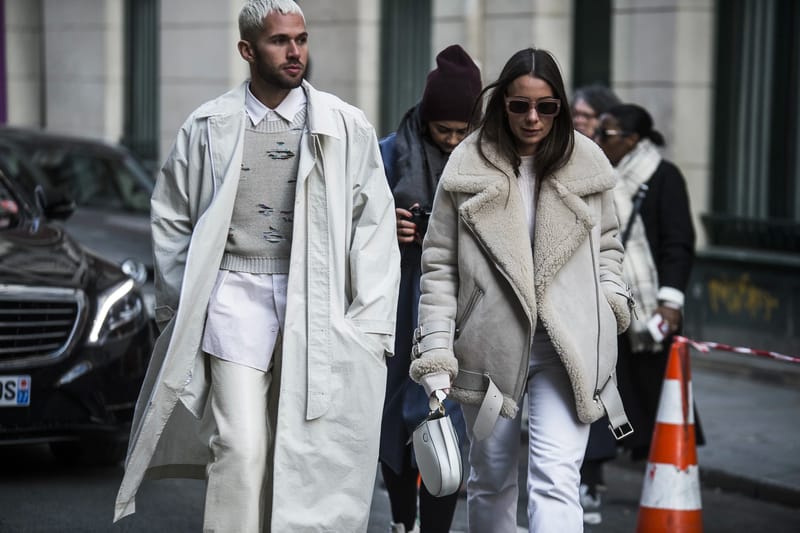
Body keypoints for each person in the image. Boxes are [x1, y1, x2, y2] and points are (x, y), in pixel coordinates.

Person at [113, 1, 401, 531]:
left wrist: (370, 324)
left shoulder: (345, 125)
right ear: (248, 50)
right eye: (279, 41)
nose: (295, 52)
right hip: (231, 302)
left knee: (304, 453)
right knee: (242, 446)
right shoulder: (208, 126)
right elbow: (171, 216)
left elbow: (375, 227)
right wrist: (181, 305)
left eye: (301, 39)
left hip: (315, 303)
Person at [409, 47, 633, 532]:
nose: (533, 117)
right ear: (501, 104)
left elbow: (610, 247)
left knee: (555, 478)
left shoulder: (586, 161)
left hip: (566, 345)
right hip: (489, 349)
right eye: (519, 105)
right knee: (491, 481)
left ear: (560, 107)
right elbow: (440, 266)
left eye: (546, 106)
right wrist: (434, 351)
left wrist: (610, 302)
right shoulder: (468, 163)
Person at [378, 44, 481, 533]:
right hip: (394, 307)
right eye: (445, 130)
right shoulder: (386, 154)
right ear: (425, 118)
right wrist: (386, 227)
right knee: (393, 420)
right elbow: (342, 232)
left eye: (464, 131)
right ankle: (402, 522)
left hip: (458, 311)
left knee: (445, 421)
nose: (454, 140)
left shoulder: (486, 162)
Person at [589, 101, 699, 513]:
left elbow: (678, 241)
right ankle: (592, 478)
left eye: (607, 134)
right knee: (602, 396)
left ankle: (671, 475)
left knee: (657, 397)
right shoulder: (599, 175)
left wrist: (671, 302)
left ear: (633, 140)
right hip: (608, 304)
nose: (598, 140)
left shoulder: (663, 176)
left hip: (651, 310)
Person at [571, 83, 624, 525]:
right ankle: (582, 481)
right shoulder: (561, 153)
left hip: (600, 298)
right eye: (576, 113)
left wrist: (613, 297)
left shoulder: (602, 162)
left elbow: (612, 237)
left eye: (588, 116)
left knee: (600, 389)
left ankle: (591, 479)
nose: (579, 121)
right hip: (564, 301)